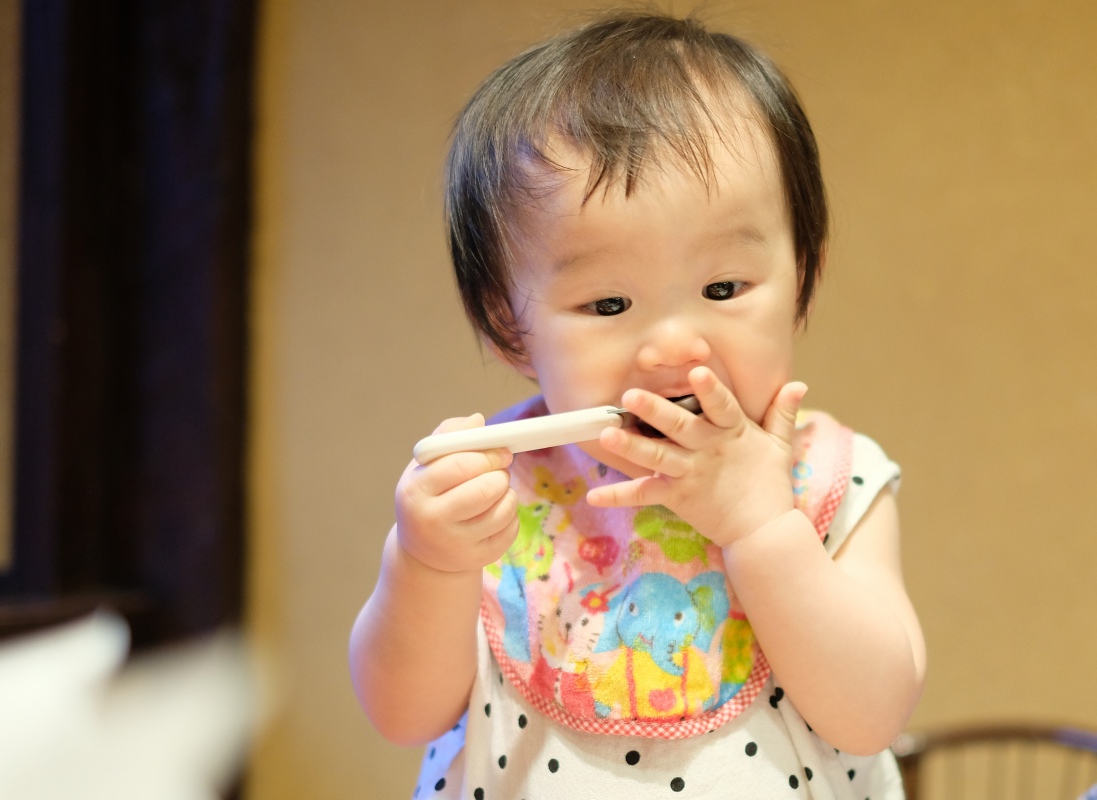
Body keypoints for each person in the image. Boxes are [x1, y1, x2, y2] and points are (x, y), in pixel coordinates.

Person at [350, 10, 926, 798]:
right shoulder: (489, 489)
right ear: (507, 323)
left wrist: (762, 527)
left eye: (724, 288)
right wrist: (425, 563)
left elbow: (872, 713)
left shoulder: (835, 478)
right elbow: (404, 713)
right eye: (610, 304)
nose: (672, 349)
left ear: (804, 279)